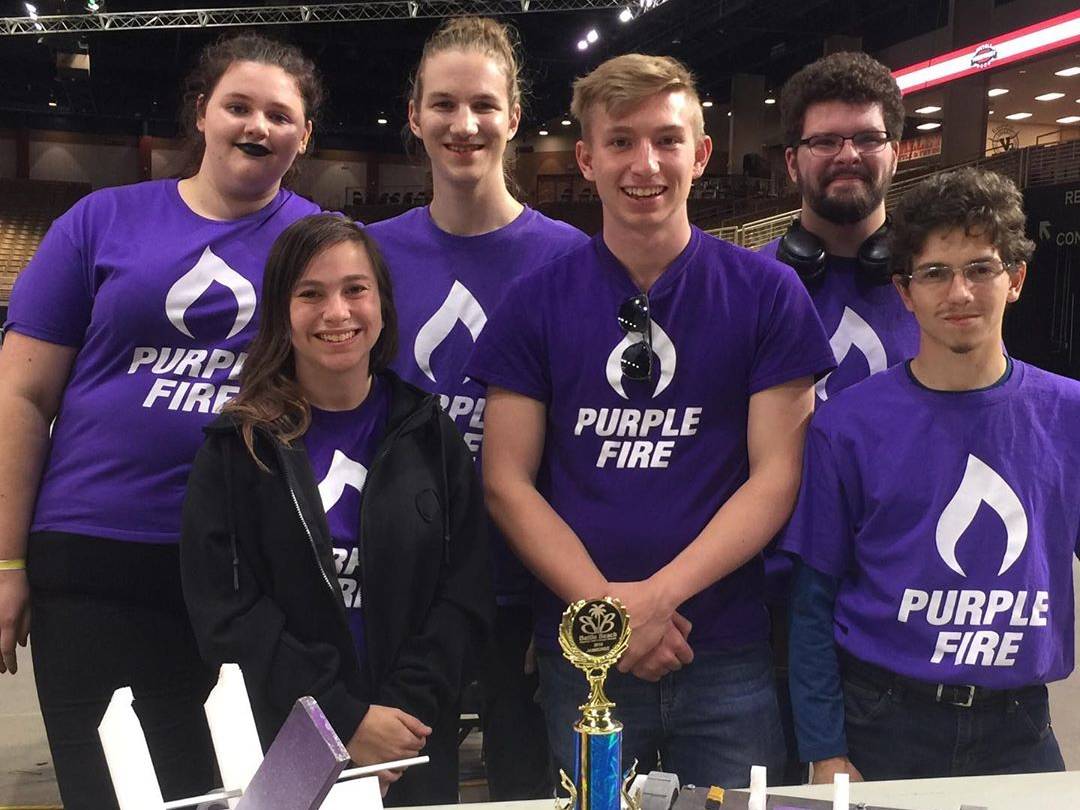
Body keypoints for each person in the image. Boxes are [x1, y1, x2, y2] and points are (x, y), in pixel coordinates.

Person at [466, 54, 835, 788]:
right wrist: (608, 616)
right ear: (586, 158)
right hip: (583, 651)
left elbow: (778, 476)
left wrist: (655, 600)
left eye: (667, 140)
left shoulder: (769, 294)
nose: (646, 163)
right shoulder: (534, 301)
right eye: (621, 141)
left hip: (726, 648)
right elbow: (506, 481)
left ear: (700, 155)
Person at [0, 33, 322, 809]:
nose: (256, 125)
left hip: (247, 569)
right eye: (237, 106)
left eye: (280, 114)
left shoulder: (321, 242)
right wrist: (6, 566)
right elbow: (21, 397)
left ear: (304, 135)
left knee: (244, 793)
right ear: (202, 115)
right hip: (95, 560)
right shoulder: (100, 220)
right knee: (111, 789)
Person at [181, 214, 490, 805]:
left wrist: (400, 714)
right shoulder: (239, 447)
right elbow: (227, 613)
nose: (337, 313)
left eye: (355, 289)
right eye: (310, 294)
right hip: (291, 741)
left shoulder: (432, 434)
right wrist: (342, 718)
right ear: (281, 311)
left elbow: (465, 593)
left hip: (411, 740)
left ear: (382, 303)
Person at [783, 167, 1077, 782]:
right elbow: (812, 603)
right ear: (904, 292)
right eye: (936, 273)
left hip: (1020, 728)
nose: (959, 293)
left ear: (1016, 280)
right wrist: (824, 749)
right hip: (883, 722)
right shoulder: (848, 426)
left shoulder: (1068, 414)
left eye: (980, 268)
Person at [365, 16, 587, 799]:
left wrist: (561, 590)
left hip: (529, 587)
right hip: (404, 591)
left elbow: (586, 440)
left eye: (485, 106)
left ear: (515, 117)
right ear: (416, 115)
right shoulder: (367, 253)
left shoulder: (571, 259)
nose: (465, 125)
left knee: (529, 785)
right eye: (445, 105)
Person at [759, 50, 920, 784]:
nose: (847, 154)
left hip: (899, 594)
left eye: (866, 137)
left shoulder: (939, 284)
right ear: (794, 160)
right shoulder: (751, 283)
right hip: (763, 598)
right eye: (825, 140)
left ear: (896, 150)